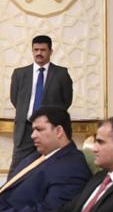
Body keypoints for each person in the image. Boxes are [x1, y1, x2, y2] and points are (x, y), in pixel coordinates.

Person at [8, 35, 73, 175]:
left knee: (50, 167)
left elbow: (66, 100)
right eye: (36, 50)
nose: (39, 53)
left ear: (50, 51)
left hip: (49, 130)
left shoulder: (61, 74)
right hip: (25, 129)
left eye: (43, 50)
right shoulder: (20, 74)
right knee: (17, 170)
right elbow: (15, 99)